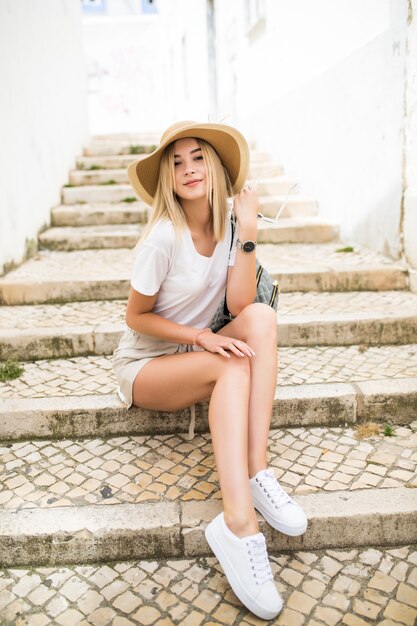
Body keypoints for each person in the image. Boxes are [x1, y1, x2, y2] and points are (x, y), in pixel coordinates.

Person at [112, 120, 307, 620]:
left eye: (197, 157)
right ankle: (237, 524)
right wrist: (201, 336)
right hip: (149, 364)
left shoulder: (226, 226)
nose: (188, 169)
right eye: (175, 162)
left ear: (215, 166)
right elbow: (135, 316)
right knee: (230, 370)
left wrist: (247, 232)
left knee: (262, 319)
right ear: (167, 177)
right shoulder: (163, 237)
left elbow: (241, 303)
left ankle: (257, 471)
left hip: (200, 354)